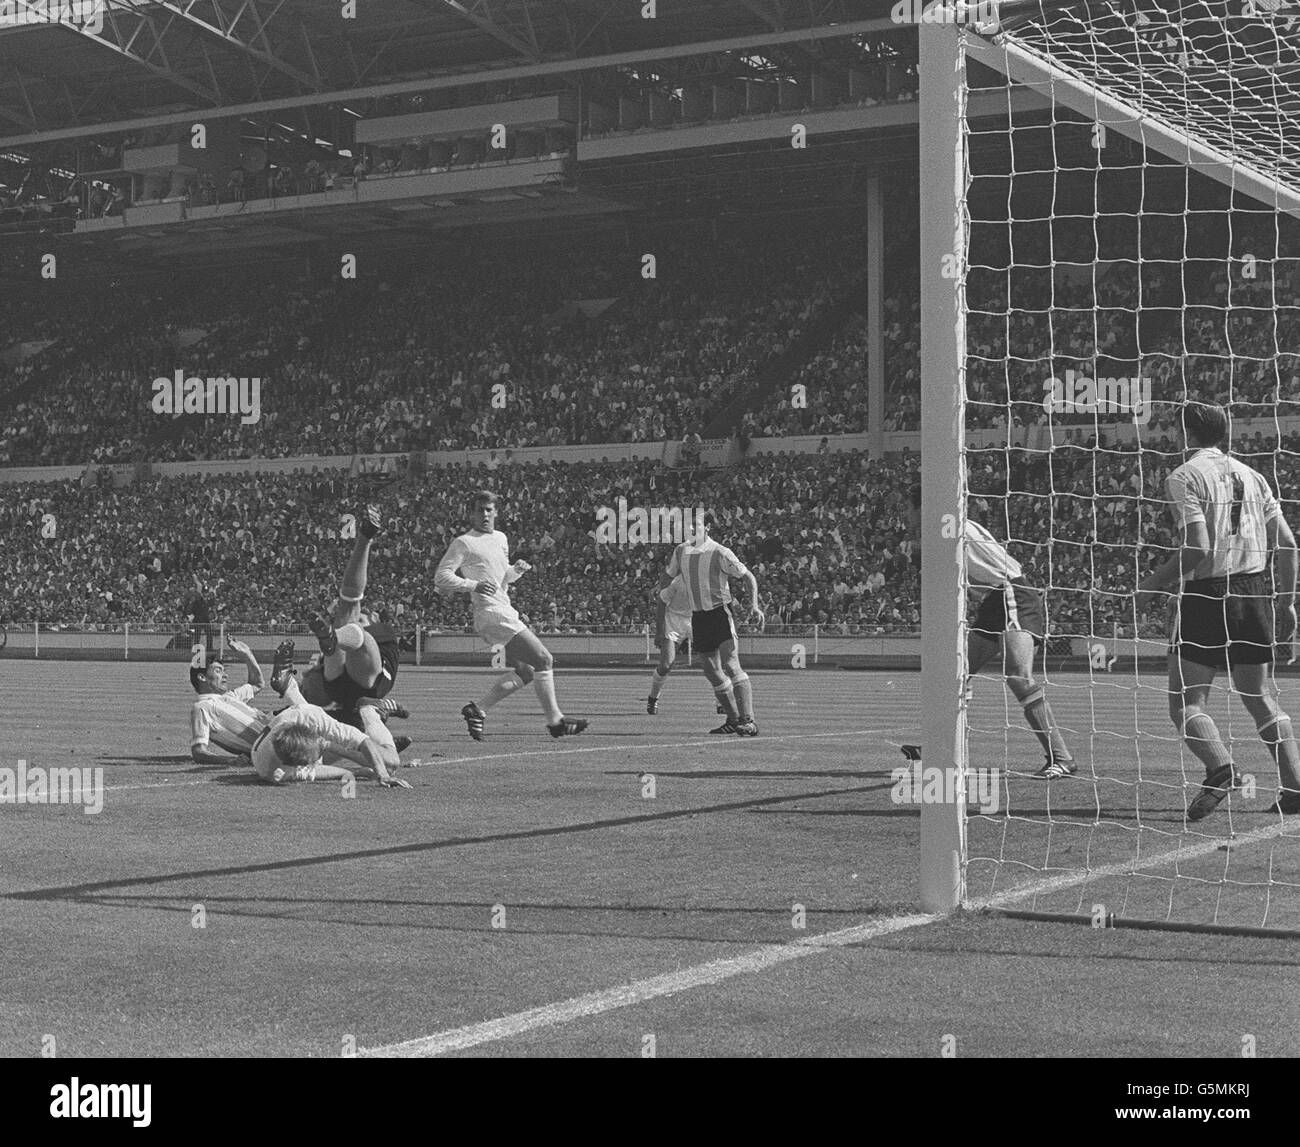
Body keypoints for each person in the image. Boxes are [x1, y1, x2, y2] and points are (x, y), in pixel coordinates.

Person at [1137, 401, 1300, 819]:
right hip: (1253, 592)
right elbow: (1287, 546)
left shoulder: (1184, 476)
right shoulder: (1254, 476)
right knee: (1260, 698)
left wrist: (1152, 586)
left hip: (1207, 595)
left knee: (1187, 703)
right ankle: (1296, 787)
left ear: (1187, 434)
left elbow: (1198, 547)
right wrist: (1286, 601)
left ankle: (1221, 768)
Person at [908, 486, 1075, 778]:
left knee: (1018, 676)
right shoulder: (951, 524)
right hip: (995, 599)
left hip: (1011, 592)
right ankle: (941, 751)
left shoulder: (943, 522)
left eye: (907, 509)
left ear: (921, 507)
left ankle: (1061, 757)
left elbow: (944, 571)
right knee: (957, 674)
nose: (905, 517)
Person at [436, 489, 588, 740]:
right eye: (479, 510)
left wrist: (515, 571)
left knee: (527, 670)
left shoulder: (501, 538)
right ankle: (556, 722)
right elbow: (441, 576)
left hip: (502, 607)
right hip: (491, 612)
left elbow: (500, 579)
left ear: (496, 512)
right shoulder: (464, 542)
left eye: (488, 509)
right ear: (471, 514)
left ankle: (478, 710)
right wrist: (471, 585)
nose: (484, 514)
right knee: (544, 659)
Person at [299, 504, 407, 760]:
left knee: (356, 632)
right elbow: (312, 694)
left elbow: (352, 604)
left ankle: (333, 640)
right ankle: (332, 642)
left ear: (378, 617)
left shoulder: (384, 631)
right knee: (349, 624)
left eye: (367, 613)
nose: (364, 612)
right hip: (341, 687)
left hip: (366, 683)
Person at [658, 516, 764, 735]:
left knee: (731, 665)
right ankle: (734, 719)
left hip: (720, 614)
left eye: (695, 525)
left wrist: (754, 605)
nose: (690, 529)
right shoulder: (681, 551)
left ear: (706, 527)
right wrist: (660, 590)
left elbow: (748, 577)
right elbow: (668, 575)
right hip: (698, 617)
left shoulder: (719, 552)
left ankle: (749, 721)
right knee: (710, 670)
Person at [646, 573, 692, 715]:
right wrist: (659, 632)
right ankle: (653, 698)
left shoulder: (705, 578)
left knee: (712, 661)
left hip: (697, 619)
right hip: (674, 620)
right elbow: (661, 603)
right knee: (666, 665)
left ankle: (721, 702)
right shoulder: (677, 581)